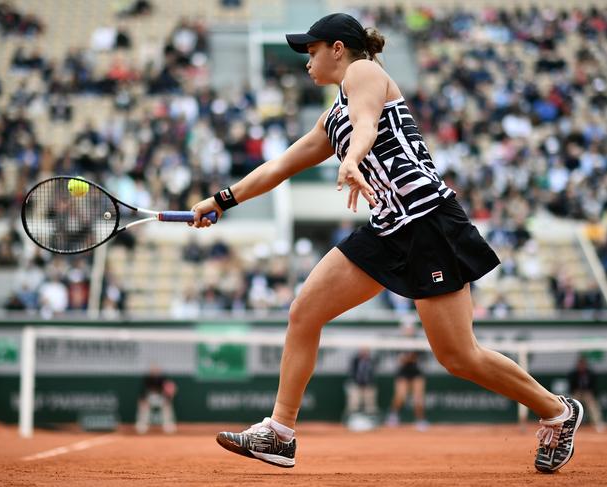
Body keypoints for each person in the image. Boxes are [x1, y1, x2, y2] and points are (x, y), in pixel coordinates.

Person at [189, 13, 583, 472]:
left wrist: (352, 159)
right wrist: (222, 199)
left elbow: (367, 124)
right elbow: (280, 166)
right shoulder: (330, 117)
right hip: (388, 229)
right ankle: (279, 432)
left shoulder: (365, 72)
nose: (306, 62)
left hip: (429, 223)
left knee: (458, 356)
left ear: (338, 48)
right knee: (304, 312)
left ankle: (558, 409)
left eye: (311, 51)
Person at [386, 319, 428, 431]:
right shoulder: (399, 343)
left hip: (416, 372)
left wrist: (412, 358)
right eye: (407, 328)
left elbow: (422, 358)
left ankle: (420, 420)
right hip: (403, 373)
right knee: (401, 396)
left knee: (418, 398)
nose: (409, 330)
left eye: (410, 328)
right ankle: (393, 415)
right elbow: (398, 359)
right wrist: (405, 359)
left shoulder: (418, 342)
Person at [135, 365, 177, 434]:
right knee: (143, 406)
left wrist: (168, 398)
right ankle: (142, 425)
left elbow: (167, 390)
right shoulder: (147, 378)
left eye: (156, 370)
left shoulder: (163, 378)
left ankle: (168, 425)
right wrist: (142, 399)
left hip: (161, 397)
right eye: (153, 370)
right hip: (149, 397)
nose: (155, 371)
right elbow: (143, 391)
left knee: (167, 406)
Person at [568, 356, 604, 433]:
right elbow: (571, 386)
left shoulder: (591, 373)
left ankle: (598, 423)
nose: (581, 366)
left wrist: (592, 394)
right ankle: (569, 424)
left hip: (587, 392)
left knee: (593, 406)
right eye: (580, 364)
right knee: (572, 406)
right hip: (577, 392)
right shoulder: (573, 373)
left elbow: (594, 386)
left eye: (583, 364)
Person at [344, 347, 378, 418]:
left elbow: (372, 374)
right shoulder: (355, 360)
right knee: (353, 400)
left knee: (370, 402)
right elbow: (352, 373)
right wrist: (358, 383)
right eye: (362, 350)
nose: (364, 352)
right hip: (356, 384)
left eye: (366, 351)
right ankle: (351, 417)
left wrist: (367, 384)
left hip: (368, 385)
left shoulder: (371, 361)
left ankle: (371, 418)